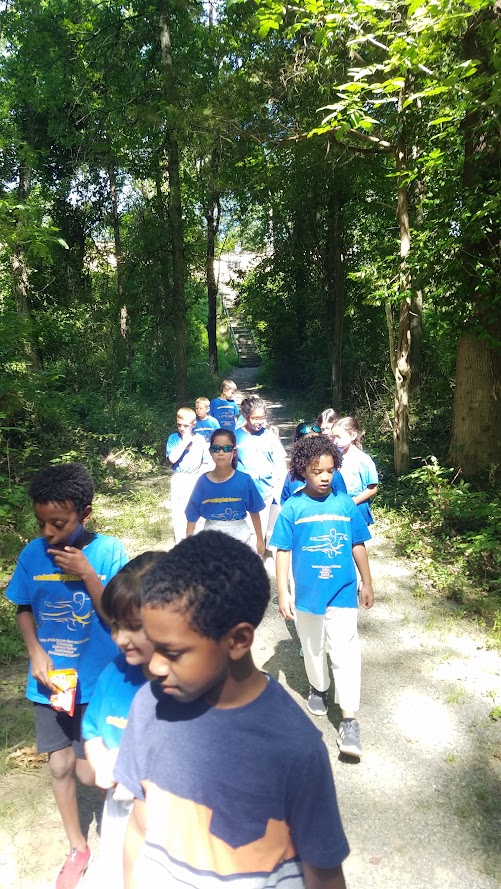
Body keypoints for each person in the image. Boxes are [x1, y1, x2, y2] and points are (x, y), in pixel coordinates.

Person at [114, 531, 349, 889]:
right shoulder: (149, 706)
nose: (156, 667)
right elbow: (139, 825)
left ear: (238, 640)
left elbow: (324, 872)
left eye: (173, 652)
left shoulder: (295, 747)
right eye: (153, 646)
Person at [5, 462, 128, 889]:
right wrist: (35, 650)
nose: (49, 534)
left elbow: (118, 616)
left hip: (99, 678)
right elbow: (22, 606)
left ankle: (127, 827)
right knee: (59, 765)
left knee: (90, 772)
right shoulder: (31, 555)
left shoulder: (109, 552)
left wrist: (88, 574)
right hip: (54, 680)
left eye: (58, 524)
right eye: (42, 524)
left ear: (86, 513)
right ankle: (78, 847)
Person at [270, 436, 374, 759]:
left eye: (330, 470)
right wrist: (283, 590)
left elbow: (358, 543)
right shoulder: (293, 507)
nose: (326, 477)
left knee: (345, 650)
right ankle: (319, 686)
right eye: (318, 471)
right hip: (308, 595)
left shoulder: (345, 505)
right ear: (304, 471)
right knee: (313, 649)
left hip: (342, 591)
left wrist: (366, 582)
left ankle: (350, 720)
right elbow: (283, 551)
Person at [83, 552, 162, 889]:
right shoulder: (114, 673)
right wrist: (101, 764)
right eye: (115, 625)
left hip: (169, 821)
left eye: (133, 627)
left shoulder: (189, 685)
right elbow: (93, 732)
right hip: (118, 811)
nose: (119, 638)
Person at [185, 429, 266, 555]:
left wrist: (260, 539)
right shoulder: (203, 482)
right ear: (210, 451)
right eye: (216, 448)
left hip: (240, 536)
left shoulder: (244, 480)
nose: (221, 453)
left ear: (234, 452)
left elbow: (254, 510)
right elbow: (192, 514)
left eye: (227, 448)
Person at [234, 396, 287, 542]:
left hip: (266, 492)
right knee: (246, 530)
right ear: (245, 416)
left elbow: (280, 463)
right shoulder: (235, 436)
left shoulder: (270, 436)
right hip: (242, 492)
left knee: (262, 529)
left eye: (262, 418)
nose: (259, 422)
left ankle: (260, 554)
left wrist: (280, 488)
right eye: (255, 418)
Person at [166, 407, 209, 544]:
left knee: (198, 511)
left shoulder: (200, 439)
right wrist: (184, 442)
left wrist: (201, 476)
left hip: (196, 478)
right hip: (179, 477)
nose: (182, 428)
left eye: (186, 426)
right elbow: (172, 459)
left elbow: (207, 462)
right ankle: (181, 542)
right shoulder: (174, 438)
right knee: (179, 513)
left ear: (193, 425)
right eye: (179, 425)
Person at [280, 421, 347, 505]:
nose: (314, 448)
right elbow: (285, 504)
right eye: (308, 445)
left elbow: (344, 502)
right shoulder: (292, 477)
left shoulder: (334, 474)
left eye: (318, 443)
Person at [332, 416, 379, 530]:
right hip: (336, 505)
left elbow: (372, 488)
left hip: (357, 507)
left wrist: (353, 501)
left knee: (356, 543)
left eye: (338, 437)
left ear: (352, 435)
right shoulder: (334, 457)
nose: (335, 441)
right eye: (333, 437)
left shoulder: (363, 459)